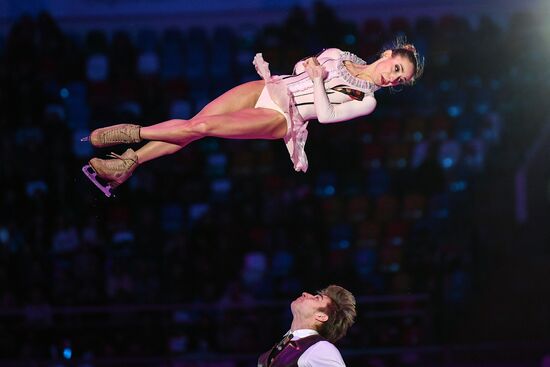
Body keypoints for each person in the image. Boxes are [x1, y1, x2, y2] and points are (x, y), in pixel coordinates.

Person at [82, 38, 424, 196]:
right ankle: (128, 165)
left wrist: (318, 80)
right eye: (397, 68)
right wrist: (308, 65)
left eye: (401, 79)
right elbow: (298, 69)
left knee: (201, 127)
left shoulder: (365, 100)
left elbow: (326, 114)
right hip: (271, 87)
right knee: (191, 127)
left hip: (282, 117)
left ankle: (131, 133)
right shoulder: (338, 53)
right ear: (387, 54)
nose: (394, 78)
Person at [257, 285, 356, 367]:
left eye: (317, 298)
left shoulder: (320, 348)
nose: (305, 293)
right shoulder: (282, 345)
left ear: (321, 316)